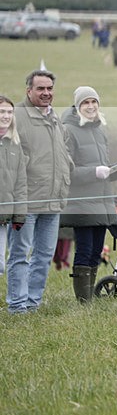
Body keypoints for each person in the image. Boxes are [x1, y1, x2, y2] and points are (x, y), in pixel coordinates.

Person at [7, 70, 72, 314]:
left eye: (49, 89)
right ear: (29, 91)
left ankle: (33, 302)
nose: (46, 93)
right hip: (27, 202)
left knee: (44, 255)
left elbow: (63, 154)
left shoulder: (55, 117)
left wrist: (68, 171)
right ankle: (17, 306)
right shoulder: (17, 117)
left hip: (54, 201)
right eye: (40, 89)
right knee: (21, 254)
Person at [60, 86, 117, 302]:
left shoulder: (100, 130)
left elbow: (103, 171)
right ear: (78, 106)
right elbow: (67, 170)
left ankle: (89, 295)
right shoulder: (68, 130)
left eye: (94, 102)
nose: (90, 106)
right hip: (81, 202)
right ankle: (83, 300)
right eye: (85, 103)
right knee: (85, 248)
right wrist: (94, 172)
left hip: (101, 200)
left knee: (97, 250)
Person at [0, 96, 27, 279]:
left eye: (10, 112)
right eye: (2, 111)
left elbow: (20, 182)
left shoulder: (15, 145)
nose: (6, 116)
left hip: (3, 215)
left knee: (0, 264)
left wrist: (19, 214)